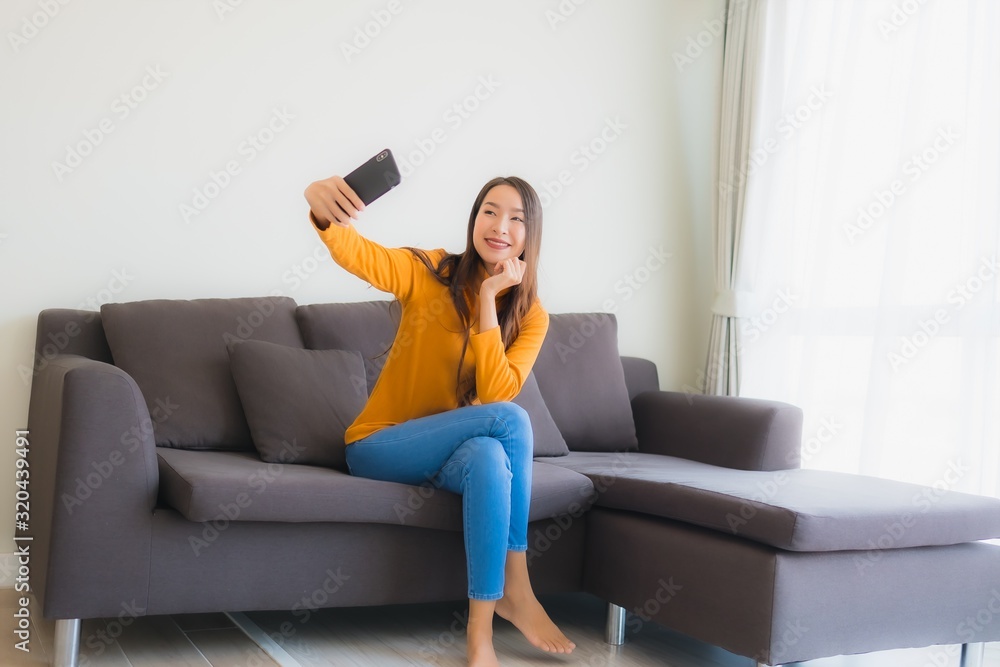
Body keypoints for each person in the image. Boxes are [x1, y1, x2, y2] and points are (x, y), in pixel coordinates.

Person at [303, 173, 576, 667]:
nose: (499, 226)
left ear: (530, 236)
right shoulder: (429, 270)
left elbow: (494, 391)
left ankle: (480, 637)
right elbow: (360, 254)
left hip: (452, 455)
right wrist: (324, 214)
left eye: (516, 218)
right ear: (474, 219)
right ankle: (518, 584)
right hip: (380, 445)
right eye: (489, 211)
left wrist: (491, 300)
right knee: (511, 423)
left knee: (491, 456)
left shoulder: (532, 316)